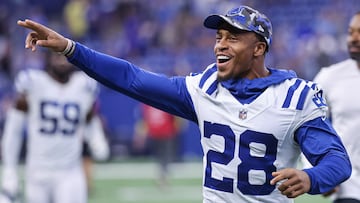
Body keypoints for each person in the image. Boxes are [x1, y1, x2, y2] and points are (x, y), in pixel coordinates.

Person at [17, 5, 352, 203]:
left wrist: (311, 178)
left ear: (259, 48)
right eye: (218, 36)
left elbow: (337, 160)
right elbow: (131, 78)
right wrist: (70, 49)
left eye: (232, 37)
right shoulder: (203, 89)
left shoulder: (295, 96)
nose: (220, 45)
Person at [0, 51, 109, 203]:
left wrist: (96, 139)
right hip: (38, 171)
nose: (62, 62)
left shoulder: (83, 85)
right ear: (48, 58)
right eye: (57, 56)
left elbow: (89, 117)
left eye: (66, 57)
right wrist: (10, 170)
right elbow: (14, 130)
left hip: (70, 170)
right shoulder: (33, 82)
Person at [309, 11, 360, 203]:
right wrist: (319, 170)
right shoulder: (330, 77)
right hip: (349, 186)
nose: (353, 38)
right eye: (350, 32)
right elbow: (306, 124)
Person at [133, 104, 182, 188]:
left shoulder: (165, 102)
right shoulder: (146, 104)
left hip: (167, 133)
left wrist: (176, 129)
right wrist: (140, 134)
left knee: (165, 157)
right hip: (155, 133)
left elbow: (176, 117)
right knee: (160, 157)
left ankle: (163, 178)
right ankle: (162, 177)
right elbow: (144, 119)